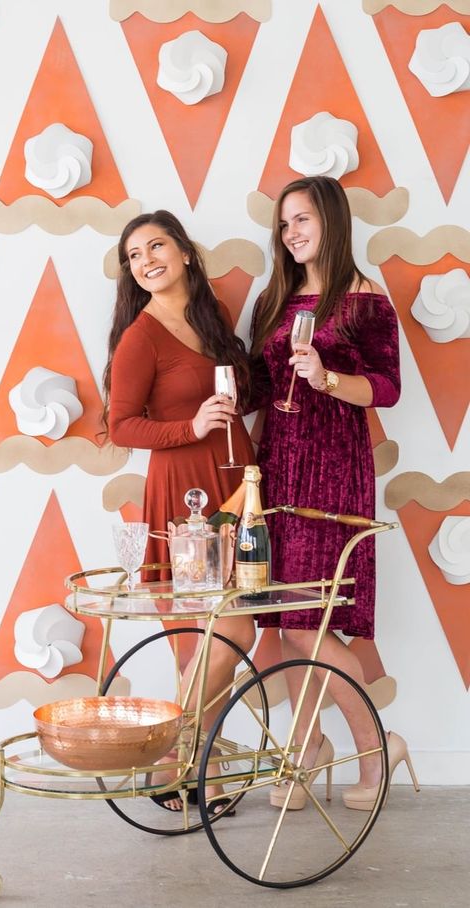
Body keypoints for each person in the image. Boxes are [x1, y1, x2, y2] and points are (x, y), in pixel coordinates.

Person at [249, 175, 416, 810]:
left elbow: (388, 388)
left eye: (303, 220)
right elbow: (265, 389)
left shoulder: (363, 300)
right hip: (278, 471)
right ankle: (310, 744)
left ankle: (375, 748)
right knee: (288, 622)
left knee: (309, 620)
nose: (292, 232)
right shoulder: (276, 297)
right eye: (284, 222)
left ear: (333, 221)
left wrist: (328, 376)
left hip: (331, 471)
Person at [104, 210, 256, 812]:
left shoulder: (211, 316)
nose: (146, 261)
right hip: (185, 494)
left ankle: (198, 766)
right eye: (134, 256)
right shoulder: (141, 336)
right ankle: (177, 754)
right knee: (211, 636)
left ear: (186, 252)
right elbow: (119, 426)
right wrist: (188, 426)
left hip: (238, 488)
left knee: (221, 634)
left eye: (156, 246)